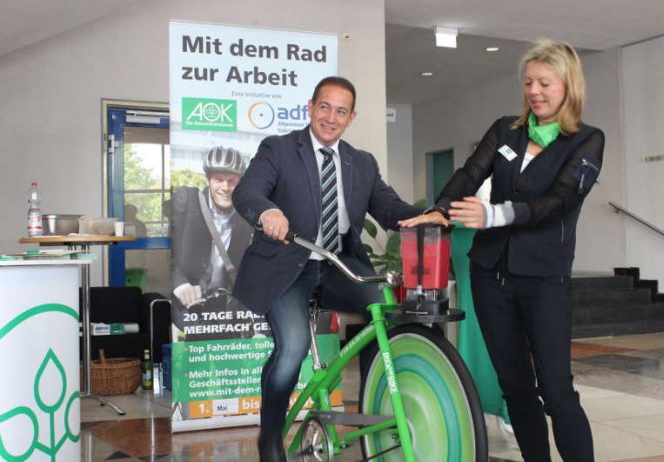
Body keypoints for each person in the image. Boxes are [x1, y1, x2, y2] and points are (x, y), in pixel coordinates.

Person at [401, 38, 603, 461]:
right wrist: (440, 210)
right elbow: (470, 172)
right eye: (529, 82)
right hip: (490, 274)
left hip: (545, 278)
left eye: (545, 82)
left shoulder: (586, 141)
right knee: (515, 386)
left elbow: (560, 201)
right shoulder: (505, 129)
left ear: (568, 86)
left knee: (556, 389)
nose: (535, 91)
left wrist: (494, 215)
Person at [232, 76, 423, 462]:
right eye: (325, 107)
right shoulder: (280, 149)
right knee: (292, 349)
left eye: (341, 111)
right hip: (287, 267)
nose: (331, 118)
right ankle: (269, 437)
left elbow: (390, 210)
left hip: (337, 266)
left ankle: (378, 403)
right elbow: (247, 191)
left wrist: (426, 215)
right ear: (310, 107)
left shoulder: (362, 163)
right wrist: (268, 211)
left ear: (351, 117)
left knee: (387, 314)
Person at [171, 145, 255, 340]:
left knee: (230, 362)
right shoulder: (187, 202)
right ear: (207, 179)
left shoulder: (247, 215)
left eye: (232, 181)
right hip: (191, 304)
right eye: (218, 180)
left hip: (227, 306)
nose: (225, 188)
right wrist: (183, 287)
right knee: (197, 361)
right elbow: (170, 254)